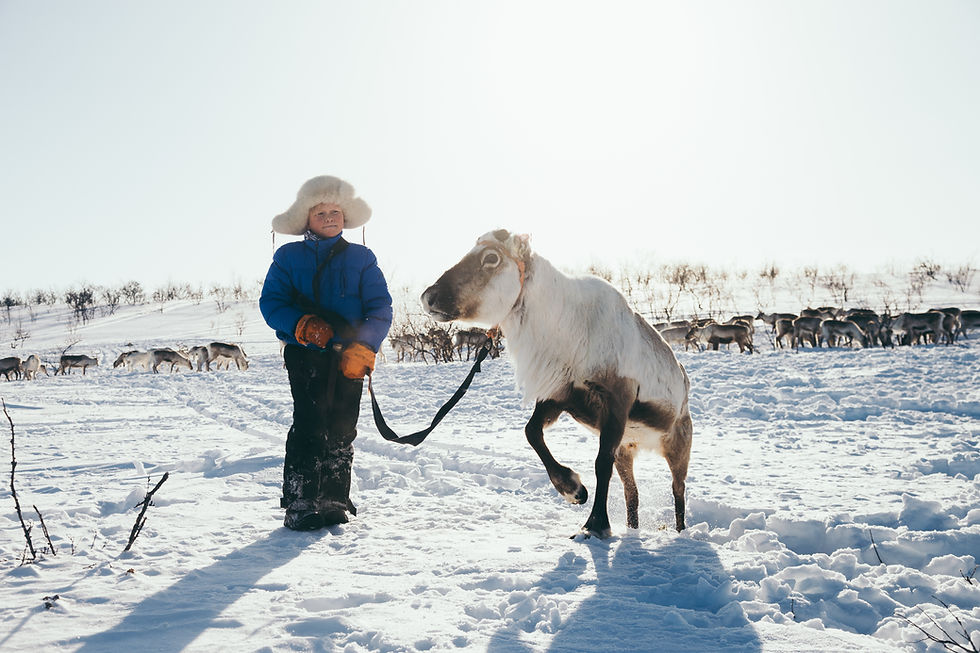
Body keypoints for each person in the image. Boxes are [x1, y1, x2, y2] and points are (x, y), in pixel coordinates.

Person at [260, 175, 393, 531]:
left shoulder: (362, 258)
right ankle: (301, 502)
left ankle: (335, 498)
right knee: (309, 422)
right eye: (322, 212)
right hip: (305, 353)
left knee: (342, 425)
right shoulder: (288, 257)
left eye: (336, 211)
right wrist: (301, 325)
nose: (331, 217)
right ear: (307, 218)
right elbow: (271, 304)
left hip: (350, 355)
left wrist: (366, 344)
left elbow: (380, 307)